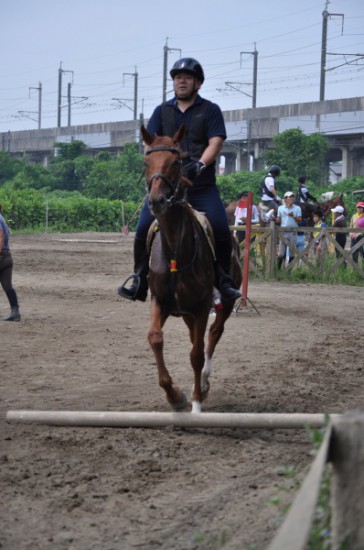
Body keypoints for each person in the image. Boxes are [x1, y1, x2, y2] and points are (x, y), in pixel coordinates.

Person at [118, 57, 241, 303]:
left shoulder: (210, 110)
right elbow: (149, 143)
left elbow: (216, 141)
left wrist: (200, 164)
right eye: (177, 77)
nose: (181, 81)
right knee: (143, 228)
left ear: (198, 83)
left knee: (219, 228)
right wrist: (156, 172)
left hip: (201, 186)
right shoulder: (162, 111)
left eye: (186, 77)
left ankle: (223, 280)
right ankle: (140, 280)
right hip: (168, 187)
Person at [0, 204, 21, 321]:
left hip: (1, 256)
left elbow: (0, 236)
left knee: (7, 285)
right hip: (7, 256)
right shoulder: (1, 217)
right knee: (7, 286)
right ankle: (15, 312)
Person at [276, 191, 302, 269]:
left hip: (293, 232)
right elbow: (278, 219)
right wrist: (274, 219)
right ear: (285, 199)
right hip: (283, 232)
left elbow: (300, 220)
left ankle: (289, 270)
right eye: (289, 197)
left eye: (292, 197)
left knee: (291, 253)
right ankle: (278, 270)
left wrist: (293, 216)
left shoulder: (297, 208)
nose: (291, 198)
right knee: (281, 253)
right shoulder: (280, 208)